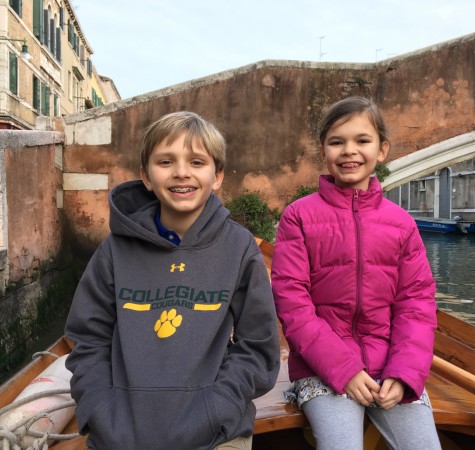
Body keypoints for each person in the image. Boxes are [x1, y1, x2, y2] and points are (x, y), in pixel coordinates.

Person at [64, 111, 280, 450]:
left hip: (214, 433)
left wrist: (217, 407)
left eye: (196, 161)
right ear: (146, 177)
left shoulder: (239, 248)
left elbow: (258, 347)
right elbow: (88, 341)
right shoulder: (114, 250)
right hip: (118, 434)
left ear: (217, 175)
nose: (181, 172)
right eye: (166, 161)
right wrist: (101, 410)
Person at [271, 96, 441, 449]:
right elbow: (293, 305)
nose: (350, 151)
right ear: (324, 151)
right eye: (337, 142)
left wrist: (405, 373)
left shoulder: (401, 223)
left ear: (382, 150)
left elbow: (416, 304)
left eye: (362, 141)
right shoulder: (298, 217)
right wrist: (344, 370)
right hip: (323, 369)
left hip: (391, 368)